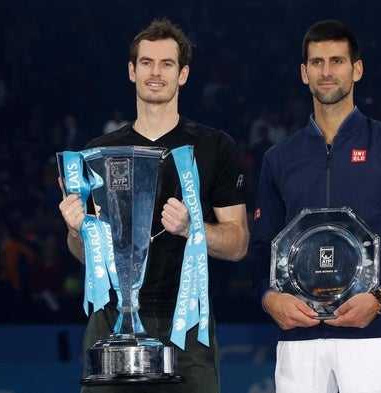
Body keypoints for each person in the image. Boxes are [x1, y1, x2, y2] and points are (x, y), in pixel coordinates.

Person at [58, 18, 249, 393]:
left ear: (184, 74)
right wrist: (75, 229)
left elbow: (238, 243)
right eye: (146, 63)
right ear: (132, 71)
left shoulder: (214, 146)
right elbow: (83, 253)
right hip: (112, 320)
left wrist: (191, 228)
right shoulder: (97, 153)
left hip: (186, 327)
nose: (155, 73)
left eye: (166, 64)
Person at [250, 19, 381, 393]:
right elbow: (261, 248)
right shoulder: (279, 158)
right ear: (304, 73)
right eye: (317, 62)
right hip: (299, 341)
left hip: (371, 338)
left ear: (357, 69)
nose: (326, 71)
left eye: (337, 61)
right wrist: (269, 298)